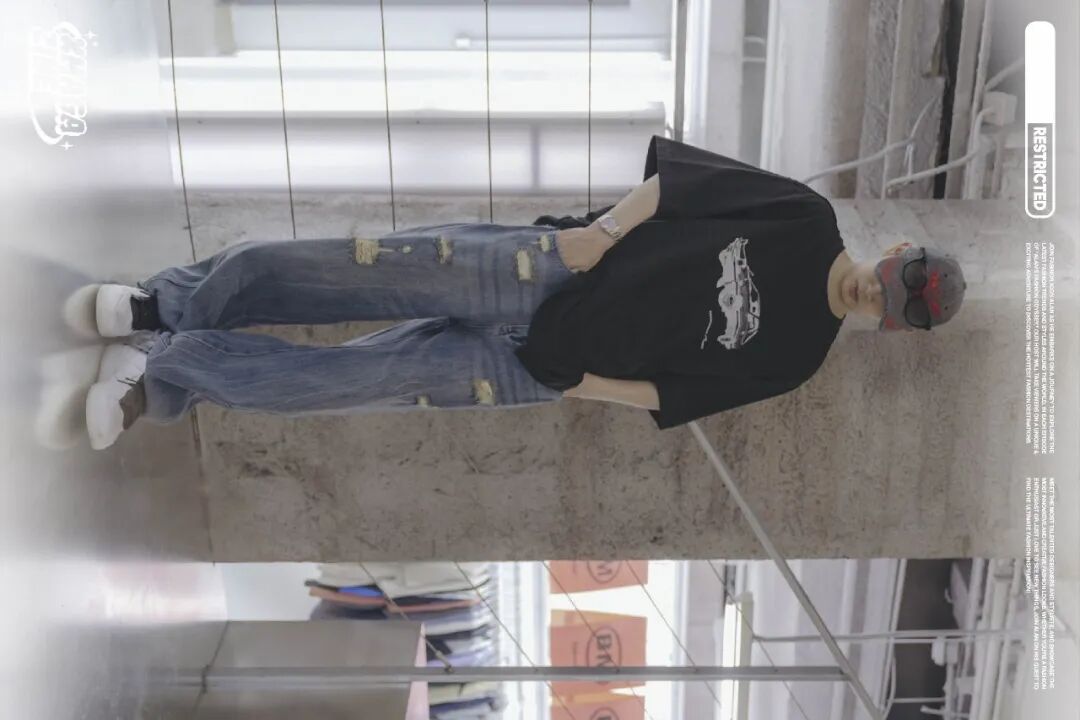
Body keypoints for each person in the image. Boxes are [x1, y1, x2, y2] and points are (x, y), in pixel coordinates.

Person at [70, 136, 967, 450]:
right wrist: (598, 234)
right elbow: (681, 184)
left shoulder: (798, 358)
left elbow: (673, 393)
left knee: (335, 385)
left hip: (539, 368)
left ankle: (164, 374)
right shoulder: (804, 217)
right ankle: (162, 307)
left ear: (888, 325)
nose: (870, 294)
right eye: (886, 279)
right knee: (340, 268)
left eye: (884, 306)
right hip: (547, 267)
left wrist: (579, 388)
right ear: (893, 250)